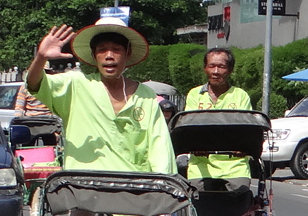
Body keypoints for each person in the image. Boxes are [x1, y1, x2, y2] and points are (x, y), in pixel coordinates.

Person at [26, 18, 175, 176]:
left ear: (128, 53)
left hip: (133, 189)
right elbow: (35, 84)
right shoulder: (75, 84)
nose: (109, 56)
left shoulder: (146, 96)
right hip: (82, 186)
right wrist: (41, 57)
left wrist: (163, 186)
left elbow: (160, 147)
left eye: (116, 49)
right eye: (102, 50)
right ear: (94, 55)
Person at [183, 48, 254, 180]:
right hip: (200, 168)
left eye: (221, 67)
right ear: (205, 68)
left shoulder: (240, 96)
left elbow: (246, 130)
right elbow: (190, 127)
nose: (216, 72)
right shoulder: (194, 94)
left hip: (235, 168)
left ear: (230, 70)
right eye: (212, 66)